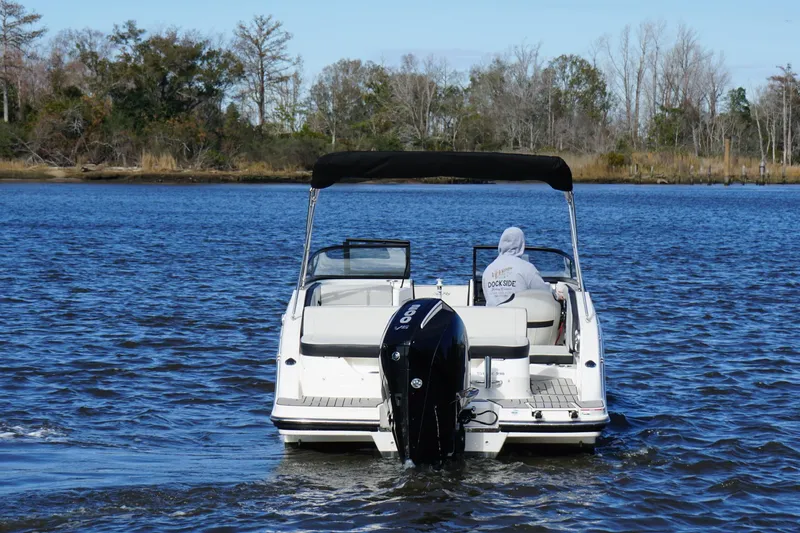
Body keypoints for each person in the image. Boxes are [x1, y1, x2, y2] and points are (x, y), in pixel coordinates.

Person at [482, 227, 556, 306]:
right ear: (521, 244)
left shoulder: (488, 271)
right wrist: (555, 291)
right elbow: (544, 293)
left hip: (493, 317)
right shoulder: (527, 268)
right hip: (519, 317)